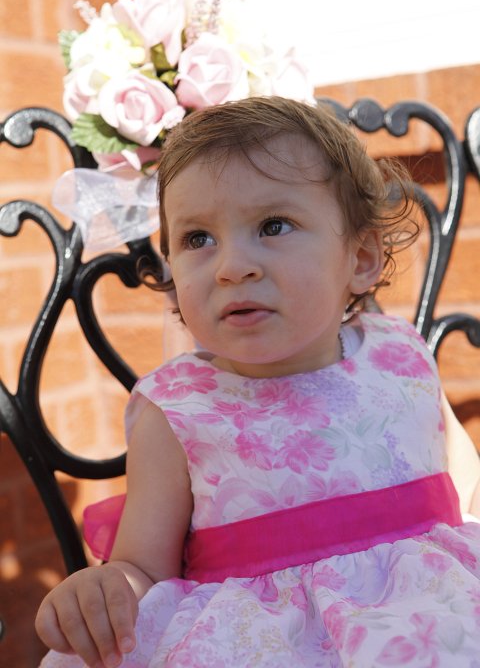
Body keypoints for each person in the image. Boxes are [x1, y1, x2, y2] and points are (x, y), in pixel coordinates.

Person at [36, 96, 480, 668]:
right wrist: (106, 588)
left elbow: (465, 494)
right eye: (198, 239)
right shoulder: (180, 411)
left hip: (438, 616)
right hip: (261, 644)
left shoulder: (400, 355)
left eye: (273, 226)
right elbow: (143, 568)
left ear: (361, 257)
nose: (232, 267)